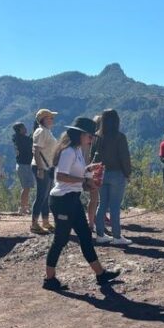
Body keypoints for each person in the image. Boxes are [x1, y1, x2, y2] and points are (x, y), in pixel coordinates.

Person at [42, 117, 120, 291]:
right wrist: (84, 180)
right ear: (81, 134)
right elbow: (61, 176)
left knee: (85, 236)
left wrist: (88, 170)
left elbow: (72, 172)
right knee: (60, 239)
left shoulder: (76, 150)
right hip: (63, 200)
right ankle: (49, 279)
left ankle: (100, 274)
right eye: (90, 136)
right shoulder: (69, 151)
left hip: (71, 199)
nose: (91, 139)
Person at [91, 109, 132, 245]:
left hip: (101, 173)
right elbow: (124, 157)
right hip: (117, 174)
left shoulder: (96, 136)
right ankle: (117, 237)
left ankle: (100, 235)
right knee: (115, 206)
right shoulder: (120, 137)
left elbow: (92, 156)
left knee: (102, 204)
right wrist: (128, 173)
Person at [31, 108, 59, 235]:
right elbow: (36, 151)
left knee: (45, 196)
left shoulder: (46, 131)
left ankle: (45, 222)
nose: (52, 119)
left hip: (47, 167)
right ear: (43, 119)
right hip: (41, 167)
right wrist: (40, 168)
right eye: (50, 117)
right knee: (41, 195)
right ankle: (34, 224)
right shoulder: (41, 131)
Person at [12, 122, 34, 215]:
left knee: (27, 187)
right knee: (26, 187)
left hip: (24, 165)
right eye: (24, 127)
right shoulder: (21, 139)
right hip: (24, 165)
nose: (26, 129)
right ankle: (22, 207)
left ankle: (25, 206)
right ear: (20, 129)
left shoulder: (18, 138)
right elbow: (30, 140)